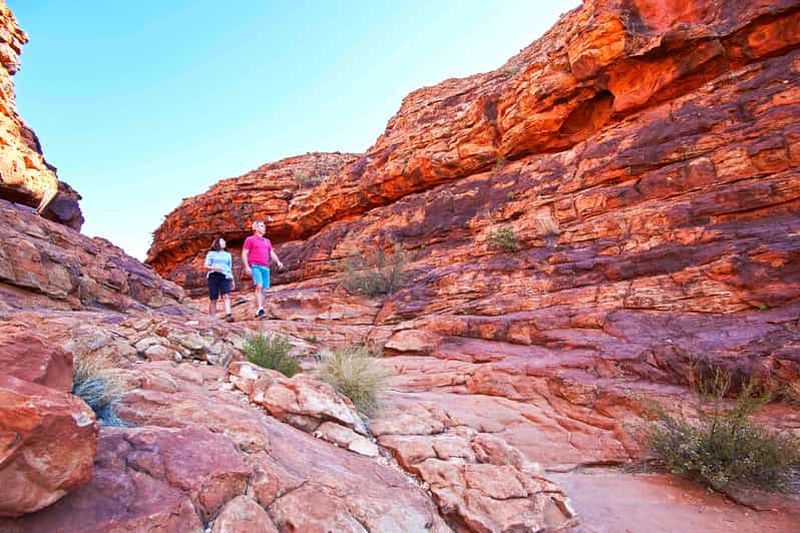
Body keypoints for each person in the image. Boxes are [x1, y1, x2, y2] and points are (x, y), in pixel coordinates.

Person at [242, 220, 284, 319]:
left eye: (264, 226)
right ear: (255, 228)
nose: (264, 228)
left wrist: (278, 262)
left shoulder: (267, 241)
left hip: (265, 267)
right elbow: (244, 253)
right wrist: (246, 266)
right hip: (255, 265)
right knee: (259, 285)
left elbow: (271, 253)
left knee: (264, 289)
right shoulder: (250, 239)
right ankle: (260, 309)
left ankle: (259, 310)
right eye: (261, 226)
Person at [205, 237, 235, 322]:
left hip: (224, 275)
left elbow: (229, 267)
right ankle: (212, 317)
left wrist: (232, 279)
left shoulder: (228, 255)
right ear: (217, 243)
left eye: (224, 241)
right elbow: (206, 265)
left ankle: (228, 315)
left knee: (226, 295)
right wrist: (214, 268)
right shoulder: (211, 253)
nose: (224, 242)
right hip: (213, 275)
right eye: (222, 241)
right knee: (213, 297)